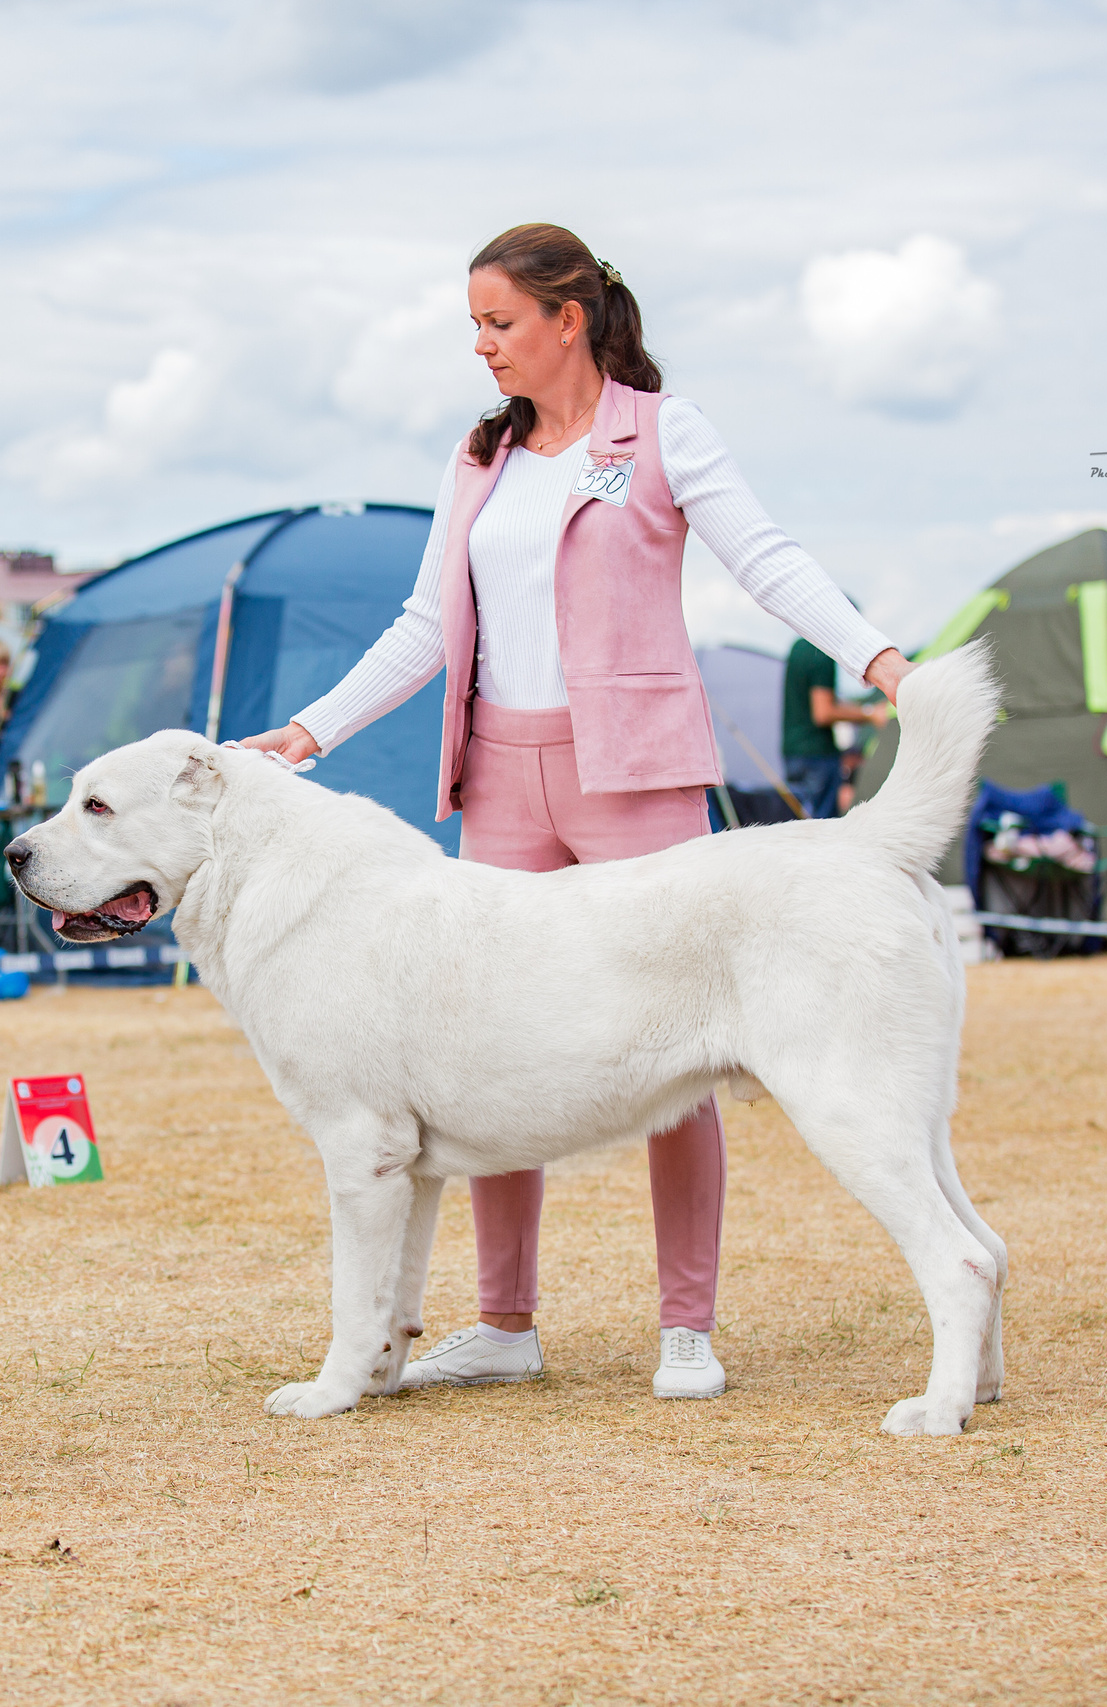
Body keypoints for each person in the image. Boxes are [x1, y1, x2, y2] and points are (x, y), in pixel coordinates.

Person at [240, 223, 914, 1401]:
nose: (484, 348)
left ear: (570, 318)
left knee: (692, 1043)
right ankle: (504, 1325)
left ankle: (686, 1330)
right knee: (480, 1041)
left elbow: (765, 558)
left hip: (636, 773)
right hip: (501, 772)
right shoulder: (479, 457)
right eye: (474, 328)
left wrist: (880, 659)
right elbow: (426, 626)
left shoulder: (663, 431)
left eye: (499, 324)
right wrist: (309, 729)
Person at [781, 634, 886, 820]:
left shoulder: (798, 646)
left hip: (793, 753)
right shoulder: (821, 652)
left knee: (801, 823)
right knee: (823, 827)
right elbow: (823, 712)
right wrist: (870, 714)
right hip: (818, 756)